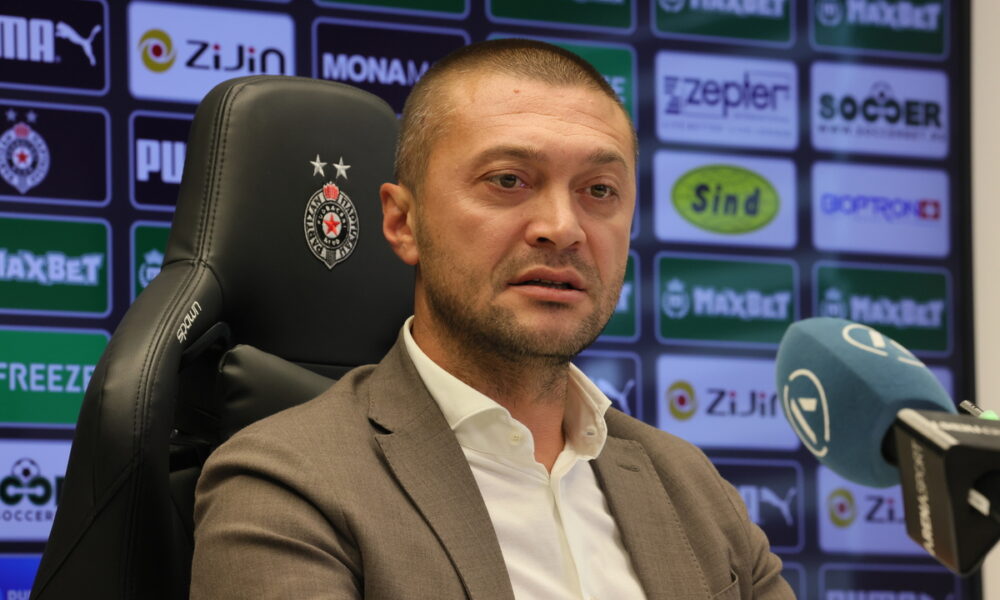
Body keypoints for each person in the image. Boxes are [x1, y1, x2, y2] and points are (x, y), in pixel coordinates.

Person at [191, 39, 795, 599]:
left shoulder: (691, 486)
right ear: (404, 222)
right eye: (508, 180)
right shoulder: (286, 484)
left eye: (600, 190)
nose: (562, 228)